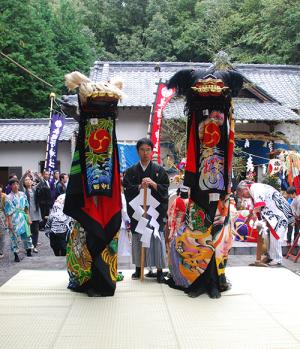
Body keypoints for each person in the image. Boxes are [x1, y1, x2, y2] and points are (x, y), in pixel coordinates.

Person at [123, 138, 169, 283]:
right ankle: (138, 268)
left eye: (148, 149)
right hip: (138, 211)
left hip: (155, 212)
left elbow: (165, 189)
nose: (145, 153)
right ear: (138, 152)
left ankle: (160, 270)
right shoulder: (131, 171)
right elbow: (127, 189)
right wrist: (138, 187)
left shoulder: (159, 171)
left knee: (157, 238)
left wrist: (154, 184)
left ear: (152, 151)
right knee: (138, 239)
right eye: (142, 150)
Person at [236, 180, 294, 266]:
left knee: (275, 235)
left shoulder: (255, 188)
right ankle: (271, 257)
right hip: (274, 214)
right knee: (270, 235)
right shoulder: (253, 191)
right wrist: (248, 218)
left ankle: (277, 259)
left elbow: (259, 205)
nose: (245, 197)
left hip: (279, 213)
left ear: (244, 189)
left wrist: (255, 215)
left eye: (243, 195)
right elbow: (253, 208)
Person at [6, 178, 33, 262]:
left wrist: (28, 218)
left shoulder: (22, 194)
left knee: (27, 235)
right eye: (13, 184)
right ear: (10, 186)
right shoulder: (8, 197)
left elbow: (26, 207)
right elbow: (8, 212)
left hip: (23, 217)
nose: (16, 186)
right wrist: (9, 222)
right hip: (14, 218)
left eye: (17, 184)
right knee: (14, 237)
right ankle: (16, 254)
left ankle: (28, 251)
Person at [23, 175, 42, 253]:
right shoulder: (23, 190)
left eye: (29, 179)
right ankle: (29, 246)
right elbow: (20, 182)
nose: (28, 181)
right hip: (28, 213)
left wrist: (35, 175)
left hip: (36, 212)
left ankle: (34, 246)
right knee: (29, 231)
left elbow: (41, 182)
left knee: (36, 230)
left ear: (31, 181)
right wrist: (25, 174)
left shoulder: (34, 189)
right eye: (26, 180)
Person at [0, 184, 9, 258]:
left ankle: (1, 251)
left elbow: (7, 209)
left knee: (2, 235)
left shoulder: (4, 196)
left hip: (2, 217)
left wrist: (7, 220)